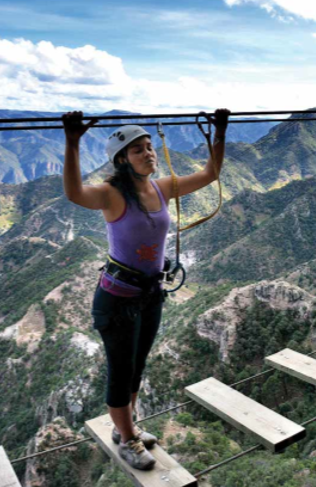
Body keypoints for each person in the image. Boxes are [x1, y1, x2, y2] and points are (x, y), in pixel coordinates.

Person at [61, 109, 229, 470]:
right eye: (138, 150)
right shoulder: (111, 195)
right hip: (118, 298)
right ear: (122, 160)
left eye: (150, 147)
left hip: (150, 294)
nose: (149, 153)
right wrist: (72, 142)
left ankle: (128, 429)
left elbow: (211, 173)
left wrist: (219, 132)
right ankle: (127, 439)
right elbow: (74, 193)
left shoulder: (162, 187)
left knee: (136, 367)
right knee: (121, 371)